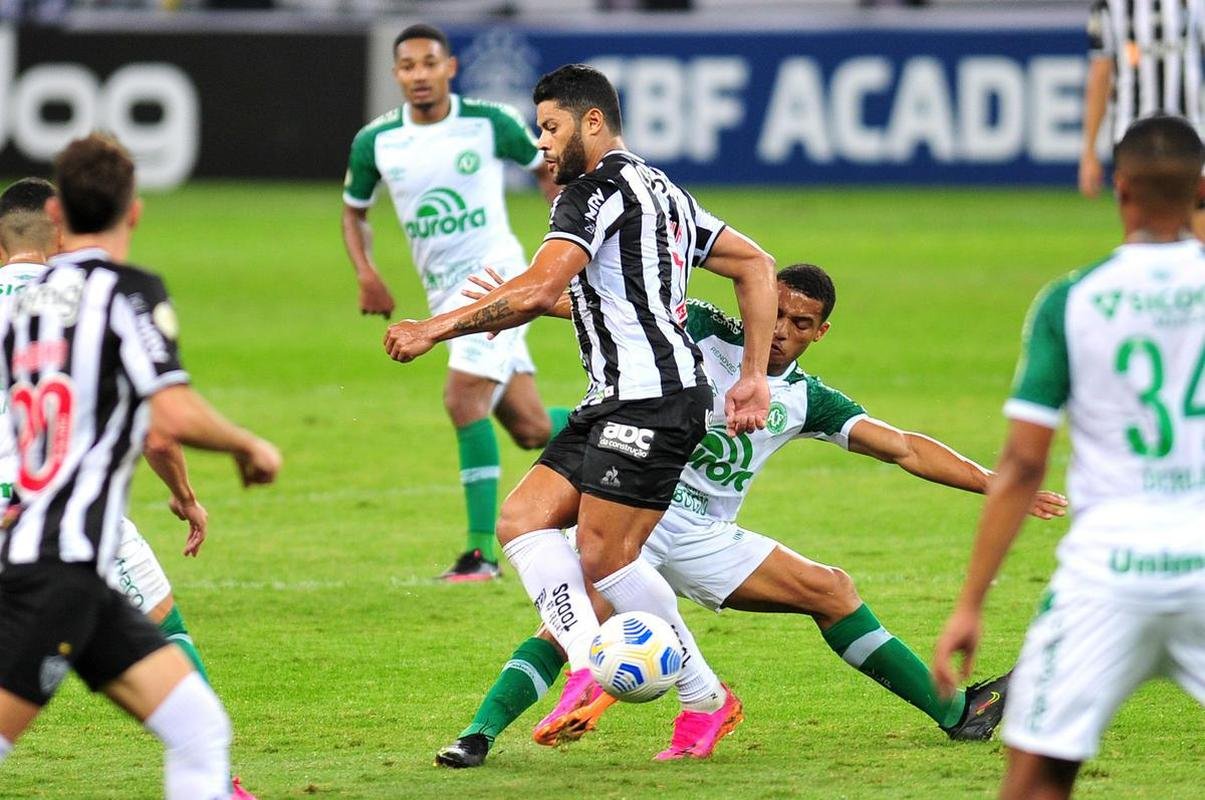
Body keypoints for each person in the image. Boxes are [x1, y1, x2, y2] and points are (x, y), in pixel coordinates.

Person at [433, 264, 1069, 768]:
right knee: (568, 621)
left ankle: (958, 712)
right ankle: (477, 737)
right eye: (779, 312)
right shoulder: (701, 331)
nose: (784, 329)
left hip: (703, 534)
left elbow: (903, 446)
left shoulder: (805, 398)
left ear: (820, 332)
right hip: (632, 508)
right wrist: (518, 299)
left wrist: (994, 482)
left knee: (832, 590)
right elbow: (604, 308)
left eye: (802, 322)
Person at [384, 63, 777, 758]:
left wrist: (433, 327)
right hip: (616, 397)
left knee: (603, 554)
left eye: (550, 127)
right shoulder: (662, 189)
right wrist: (748, 377)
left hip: (653, 399)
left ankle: (700, 698)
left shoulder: (591, 192)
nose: (541, 143)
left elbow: (540, 289)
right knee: (522, 519)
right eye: (538, 129)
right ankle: (588, 658)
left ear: (591, 122)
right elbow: (753, 263)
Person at [0, 134, 281, 799]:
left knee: (196, 726)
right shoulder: (121, 293)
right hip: (55, 560)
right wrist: (248, 445)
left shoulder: (30, 304)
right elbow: (170, 417)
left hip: (66, 556)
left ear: (60, 215)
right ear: (136, 211)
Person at [935, 115, 1205, 800]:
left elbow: (1023, 466)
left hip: (1106, 572)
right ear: (1199, 187)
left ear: (1119, 188)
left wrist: (969, 603)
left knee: (1033, 779)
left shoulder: (1070, 302)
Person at [342, 23, 568, 582]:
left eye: (429, 63)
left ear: (450, 68)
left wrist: (562, 245)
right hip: (443, 288)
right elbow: (354, 211)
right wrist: (367, 272)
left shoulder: (487, 122)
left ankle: (479, 556)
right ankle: (623, 424)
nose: (419, 75)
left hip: (498, 278)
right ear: (396, 74)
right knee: (531, 428)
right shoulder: (376, 141)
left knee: (463, 398)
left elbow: (546, 171)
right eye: (408, 66)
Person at [1079, 1, 1205, 237]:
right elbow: (1101, 73)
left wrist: (1089, 151)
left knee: (1149, 231)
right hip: (1137, 136)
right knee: (1158, 231)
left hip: (1187, 134)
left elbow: (1101, 73)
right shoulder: (1109, 5)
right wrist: (1089, 151)